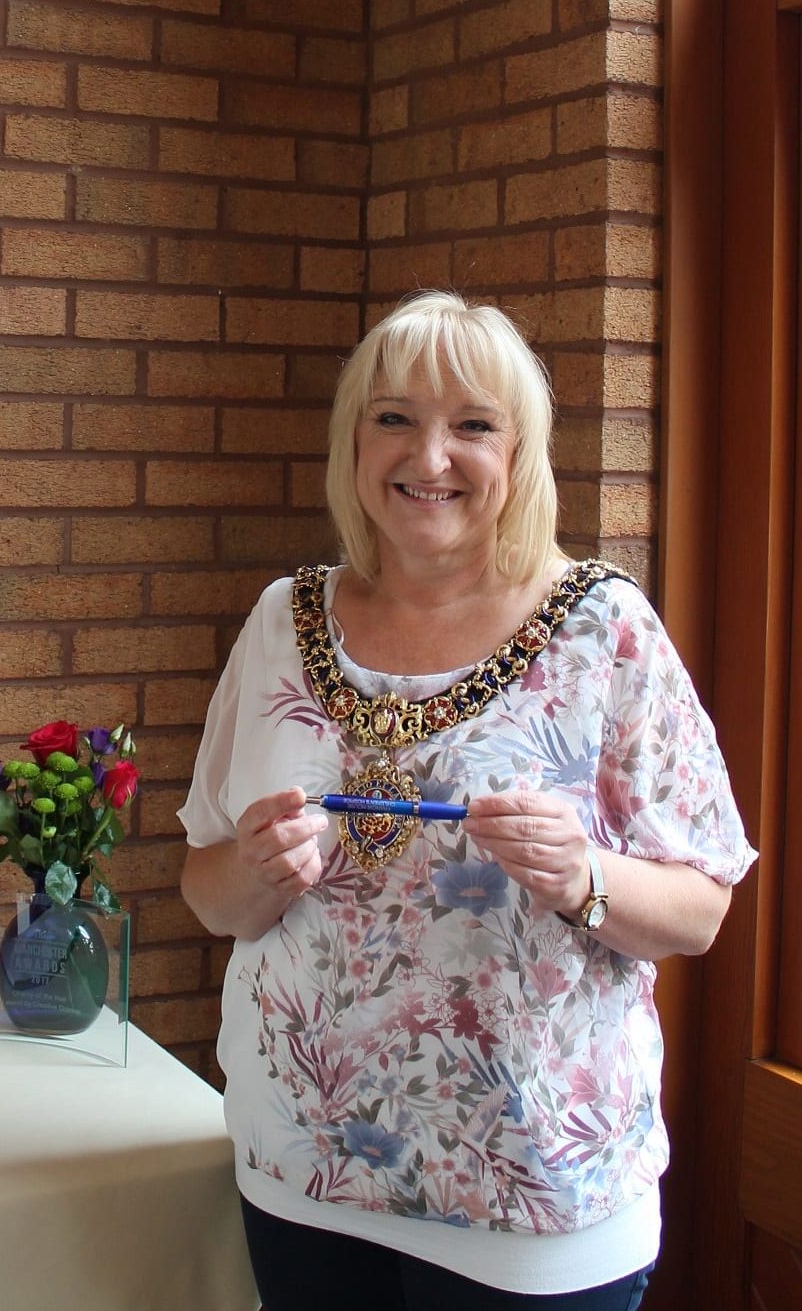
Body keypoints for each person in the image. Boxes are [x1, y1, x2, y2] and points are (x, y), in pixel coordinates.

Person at [179, 292, 756, 1311]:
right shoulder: (283, 617)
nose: (429, 455)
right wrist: (255, 874)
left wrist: (582, 875)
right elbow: (209, 889)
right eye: (394, 416)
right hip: (304, 1178)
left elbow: (701, 908)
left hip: (533, 1204)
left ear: (521, 451)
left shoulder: (603, 629)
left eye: (472, 425)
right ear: (355, 443)